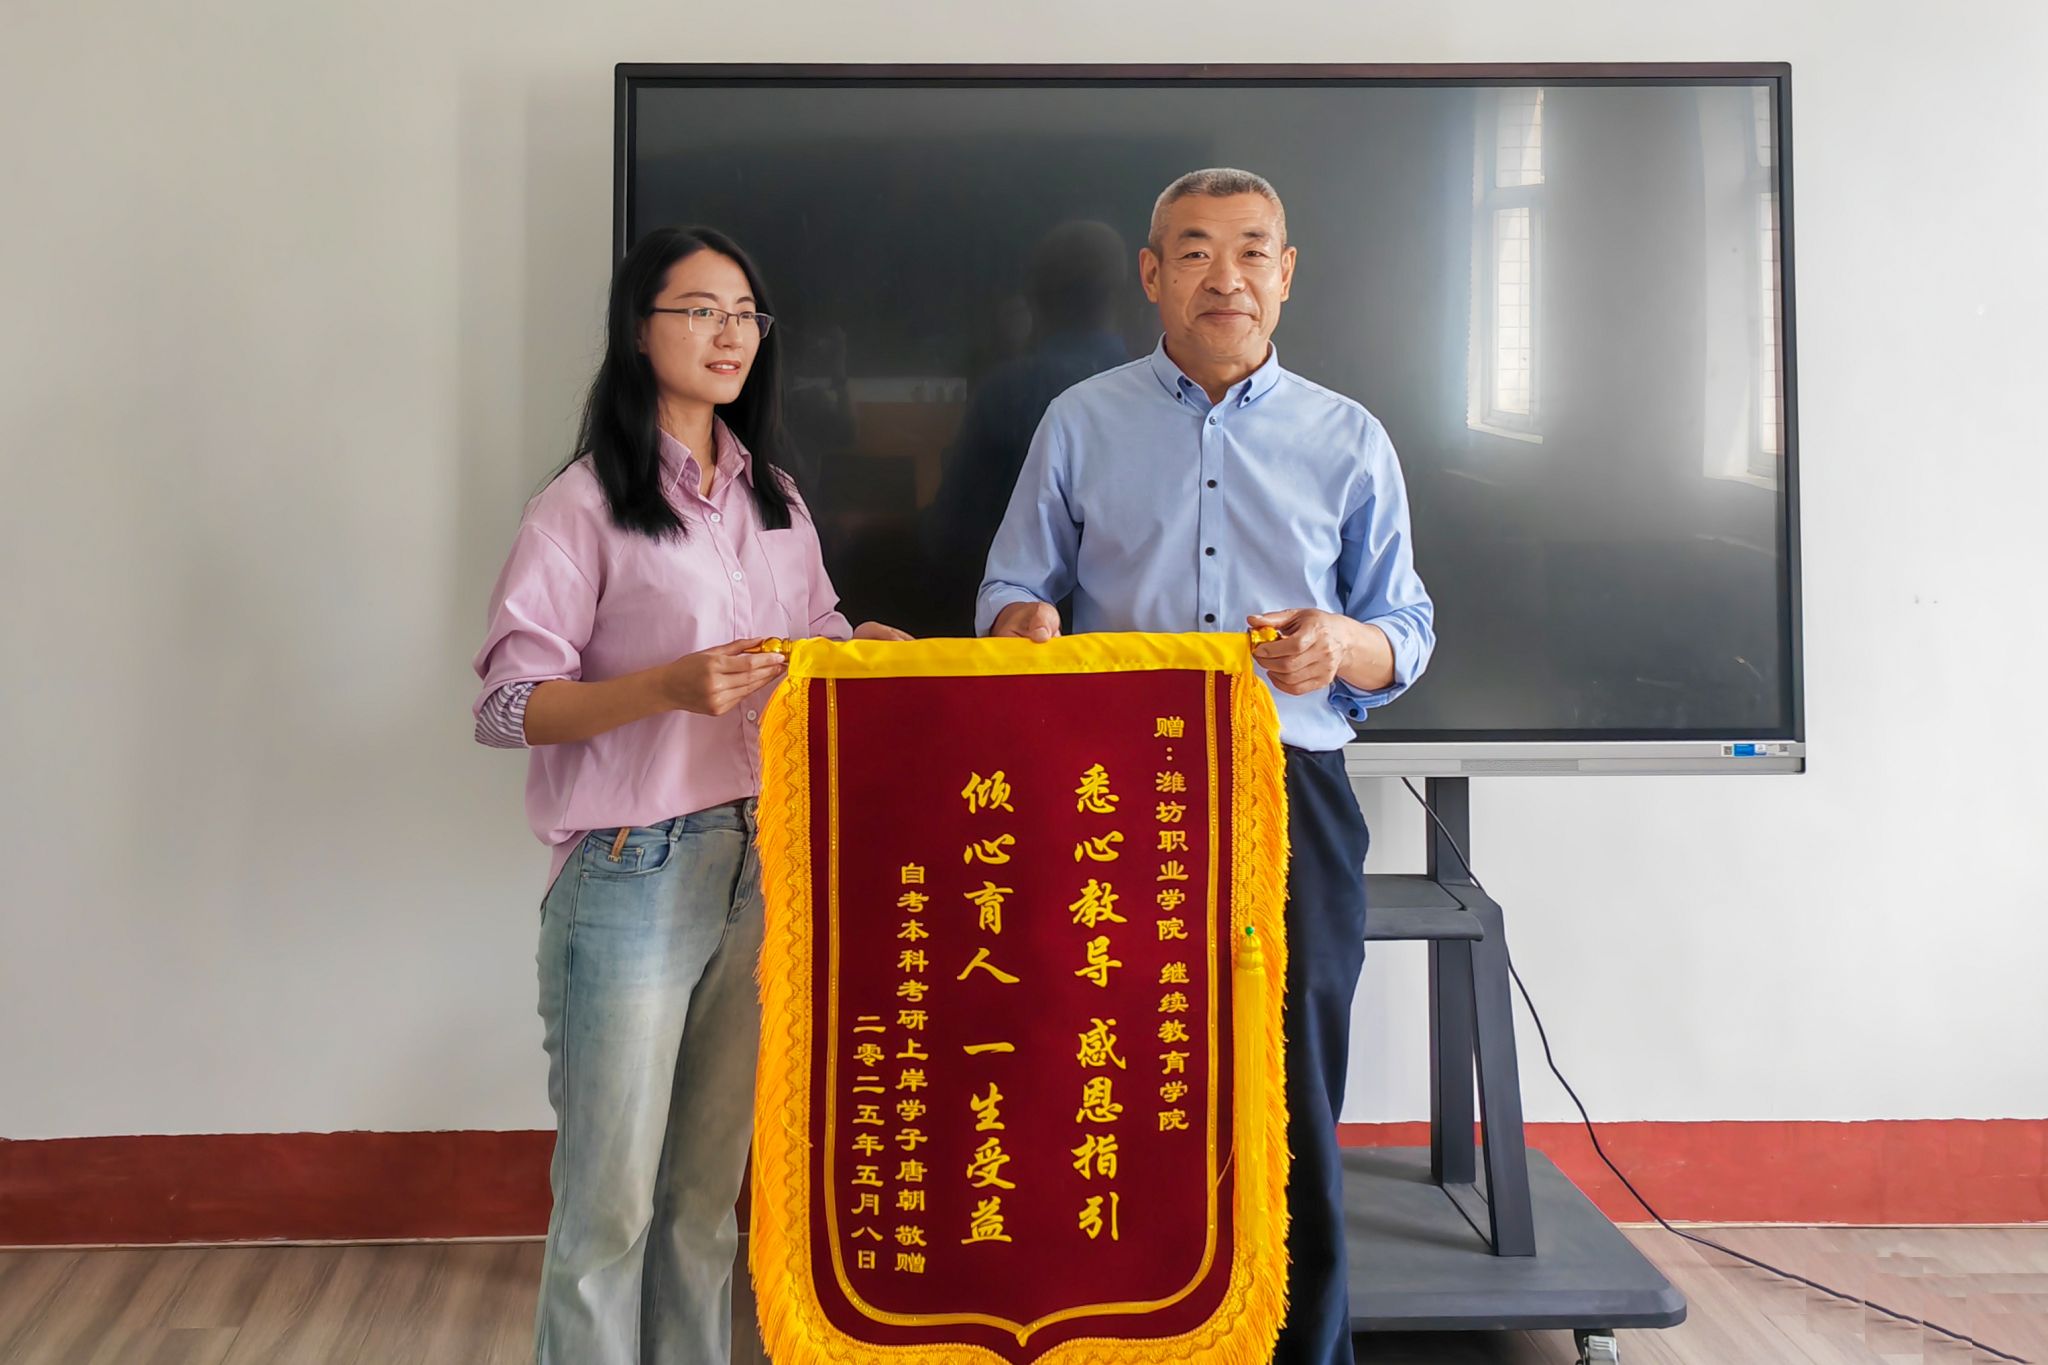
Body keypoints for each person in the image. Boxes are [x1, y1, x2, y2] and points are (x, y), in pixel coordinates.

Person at [976, 169, 1435, 1365]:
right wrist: (1021, 623)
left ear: (1286, 273)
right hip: (1112, 799)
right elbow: (1012, 583)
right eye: (1192, 251)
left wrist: (1340, 646)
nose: (1222, 277)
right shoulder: (1080, 421)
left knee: (1288, 1098)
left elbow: (1406, 628)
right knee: (1109, 1085)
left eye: (1249, 251)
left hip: (1288, 795)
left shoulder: (1347, 437)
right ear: (1150, 275)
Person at [472, 225, 906, 1365]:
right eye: (701, 310)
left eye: (747, 314)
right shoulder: (581, 506)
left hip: (760, 865)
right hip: (630, 870)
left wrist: (855, 649)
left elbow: (807, 638)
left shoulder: (776, 497)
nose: (731, 334)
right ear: (638, 330)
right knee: (608, 1213)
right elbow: (506, 706)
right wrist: (662, 687)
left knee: (705, 1206)